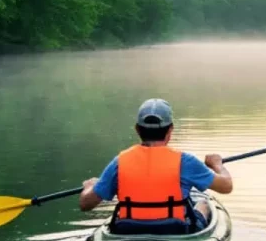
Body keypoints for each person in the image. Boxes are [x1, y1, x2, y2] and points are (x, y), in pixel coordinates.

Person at [79, 98, 233, 231]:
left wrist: (90, 187)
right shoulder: (185, 162)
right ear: (170, 130)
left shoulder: (119, 162)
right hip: (175, 228)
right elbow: (226, 186)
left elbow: (85, 204)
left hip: (128, 227)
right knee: (204, 203)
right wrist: (217, 164)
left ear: (137, 129)